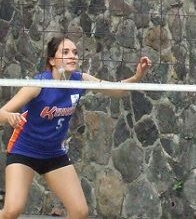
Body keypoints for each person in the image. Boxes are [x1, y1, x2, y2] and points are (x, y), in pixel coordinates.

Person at [0, 36, 152, 219]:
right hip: (24, 152)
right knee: (12, 211)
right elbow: (2, 113)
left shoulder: (79, 80)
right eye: (65, 52)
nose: (72, 56)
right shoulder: (37, 85)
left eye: (75, 52)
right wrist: (9, 117)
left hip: (54, 154)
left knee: (80, 212)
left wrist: (137, 77)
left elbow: (116, 90)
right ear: (52, 60)